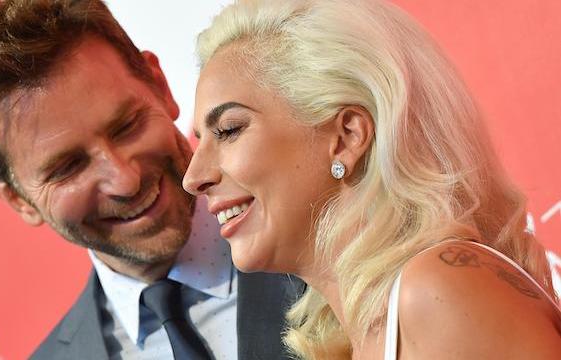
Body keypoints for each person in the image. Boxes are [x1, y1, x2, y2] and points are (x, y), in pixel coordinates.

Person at [183, 0, 561, 358]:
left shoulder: (436, 292)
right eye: (201, 140)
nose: (193, 178)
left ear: (347, 136)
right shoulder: (362, 330)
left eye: (229, 130)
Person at [0, 0, 303, 359]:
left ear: (161, 86)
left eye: (127, 126)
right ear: (16, 198)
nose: (125, 180)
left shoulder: (329, 224)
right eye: (69, 167)